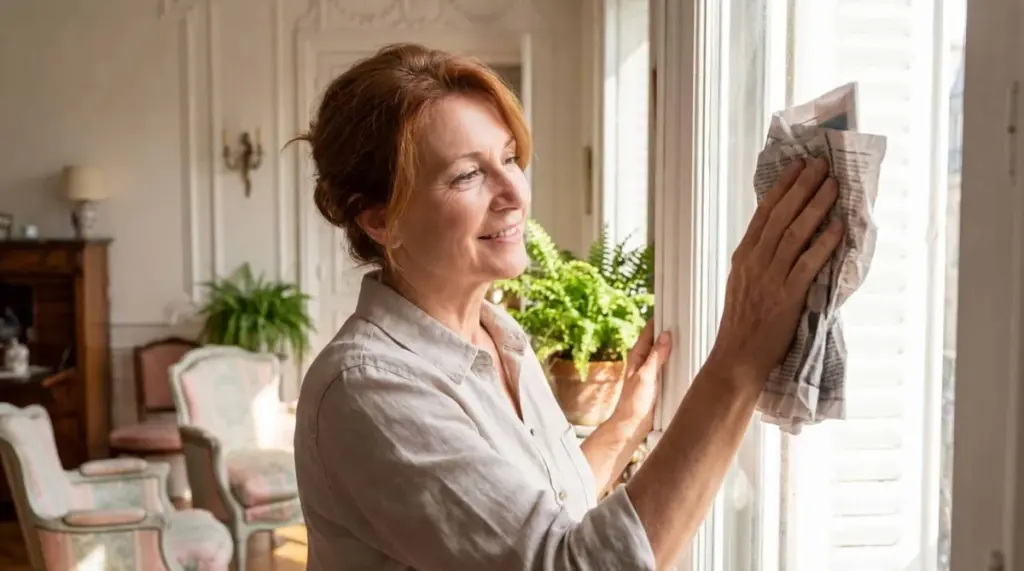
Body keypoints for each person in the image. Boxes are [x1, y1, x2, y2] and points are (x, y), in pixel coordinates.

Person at [293, 43, 842, 571]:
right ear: (382, 220)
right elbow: (569, 563)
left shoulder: (497, 334)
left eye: (509, 157)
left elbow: (542, 514)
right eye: (467, 174)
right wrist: (740, 359)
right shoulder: (368, 391)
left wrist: (627, 420)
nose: (514, 191)